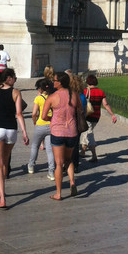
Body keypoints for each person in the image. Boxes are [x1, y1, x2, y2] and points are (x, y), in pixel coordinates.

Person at [0, 68, 28, 210]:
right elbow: (19, 114)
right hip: (11, 130)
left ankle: (2, 199)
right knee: (5, 163)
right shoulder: (16, 92)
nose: (15, 79)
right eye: (14, 77)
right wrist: (25, 132)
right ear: (9, 78)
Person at [41, 71, 81, 201]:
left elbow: (43, 116)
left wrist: (52, 119)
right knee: (68, 159)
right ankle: (72, 181)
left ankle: (58, 193)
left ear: (60, 82)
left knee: (59, 163)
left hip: (58, 132)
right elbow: (80, 111)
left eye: (55, 80)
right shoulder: (74, 95)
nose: (53, 82)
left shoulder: (52, 97)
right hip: (72, 131)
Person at [82, 74, 117, 163]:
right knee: (86, 132)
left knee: (89, 134)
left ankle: (94, 155)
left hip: (87, 115)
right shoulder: (100, 92)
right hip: (96, 116)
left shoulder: (85, 91)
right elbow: (105, 104)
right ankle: (82, 151)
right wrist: (112, 114)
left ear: (87, 82)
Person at [26, 78, 55, 179]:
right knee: (50, 150)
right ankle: (51, 171)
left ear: (40, 89)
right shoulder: (53, 97)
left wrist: (34, 122)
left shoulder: (38, 99)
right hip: (51, 125)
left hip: (40, 124)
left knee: (35, 146)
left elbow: (34, 113)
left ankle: (31, 166)